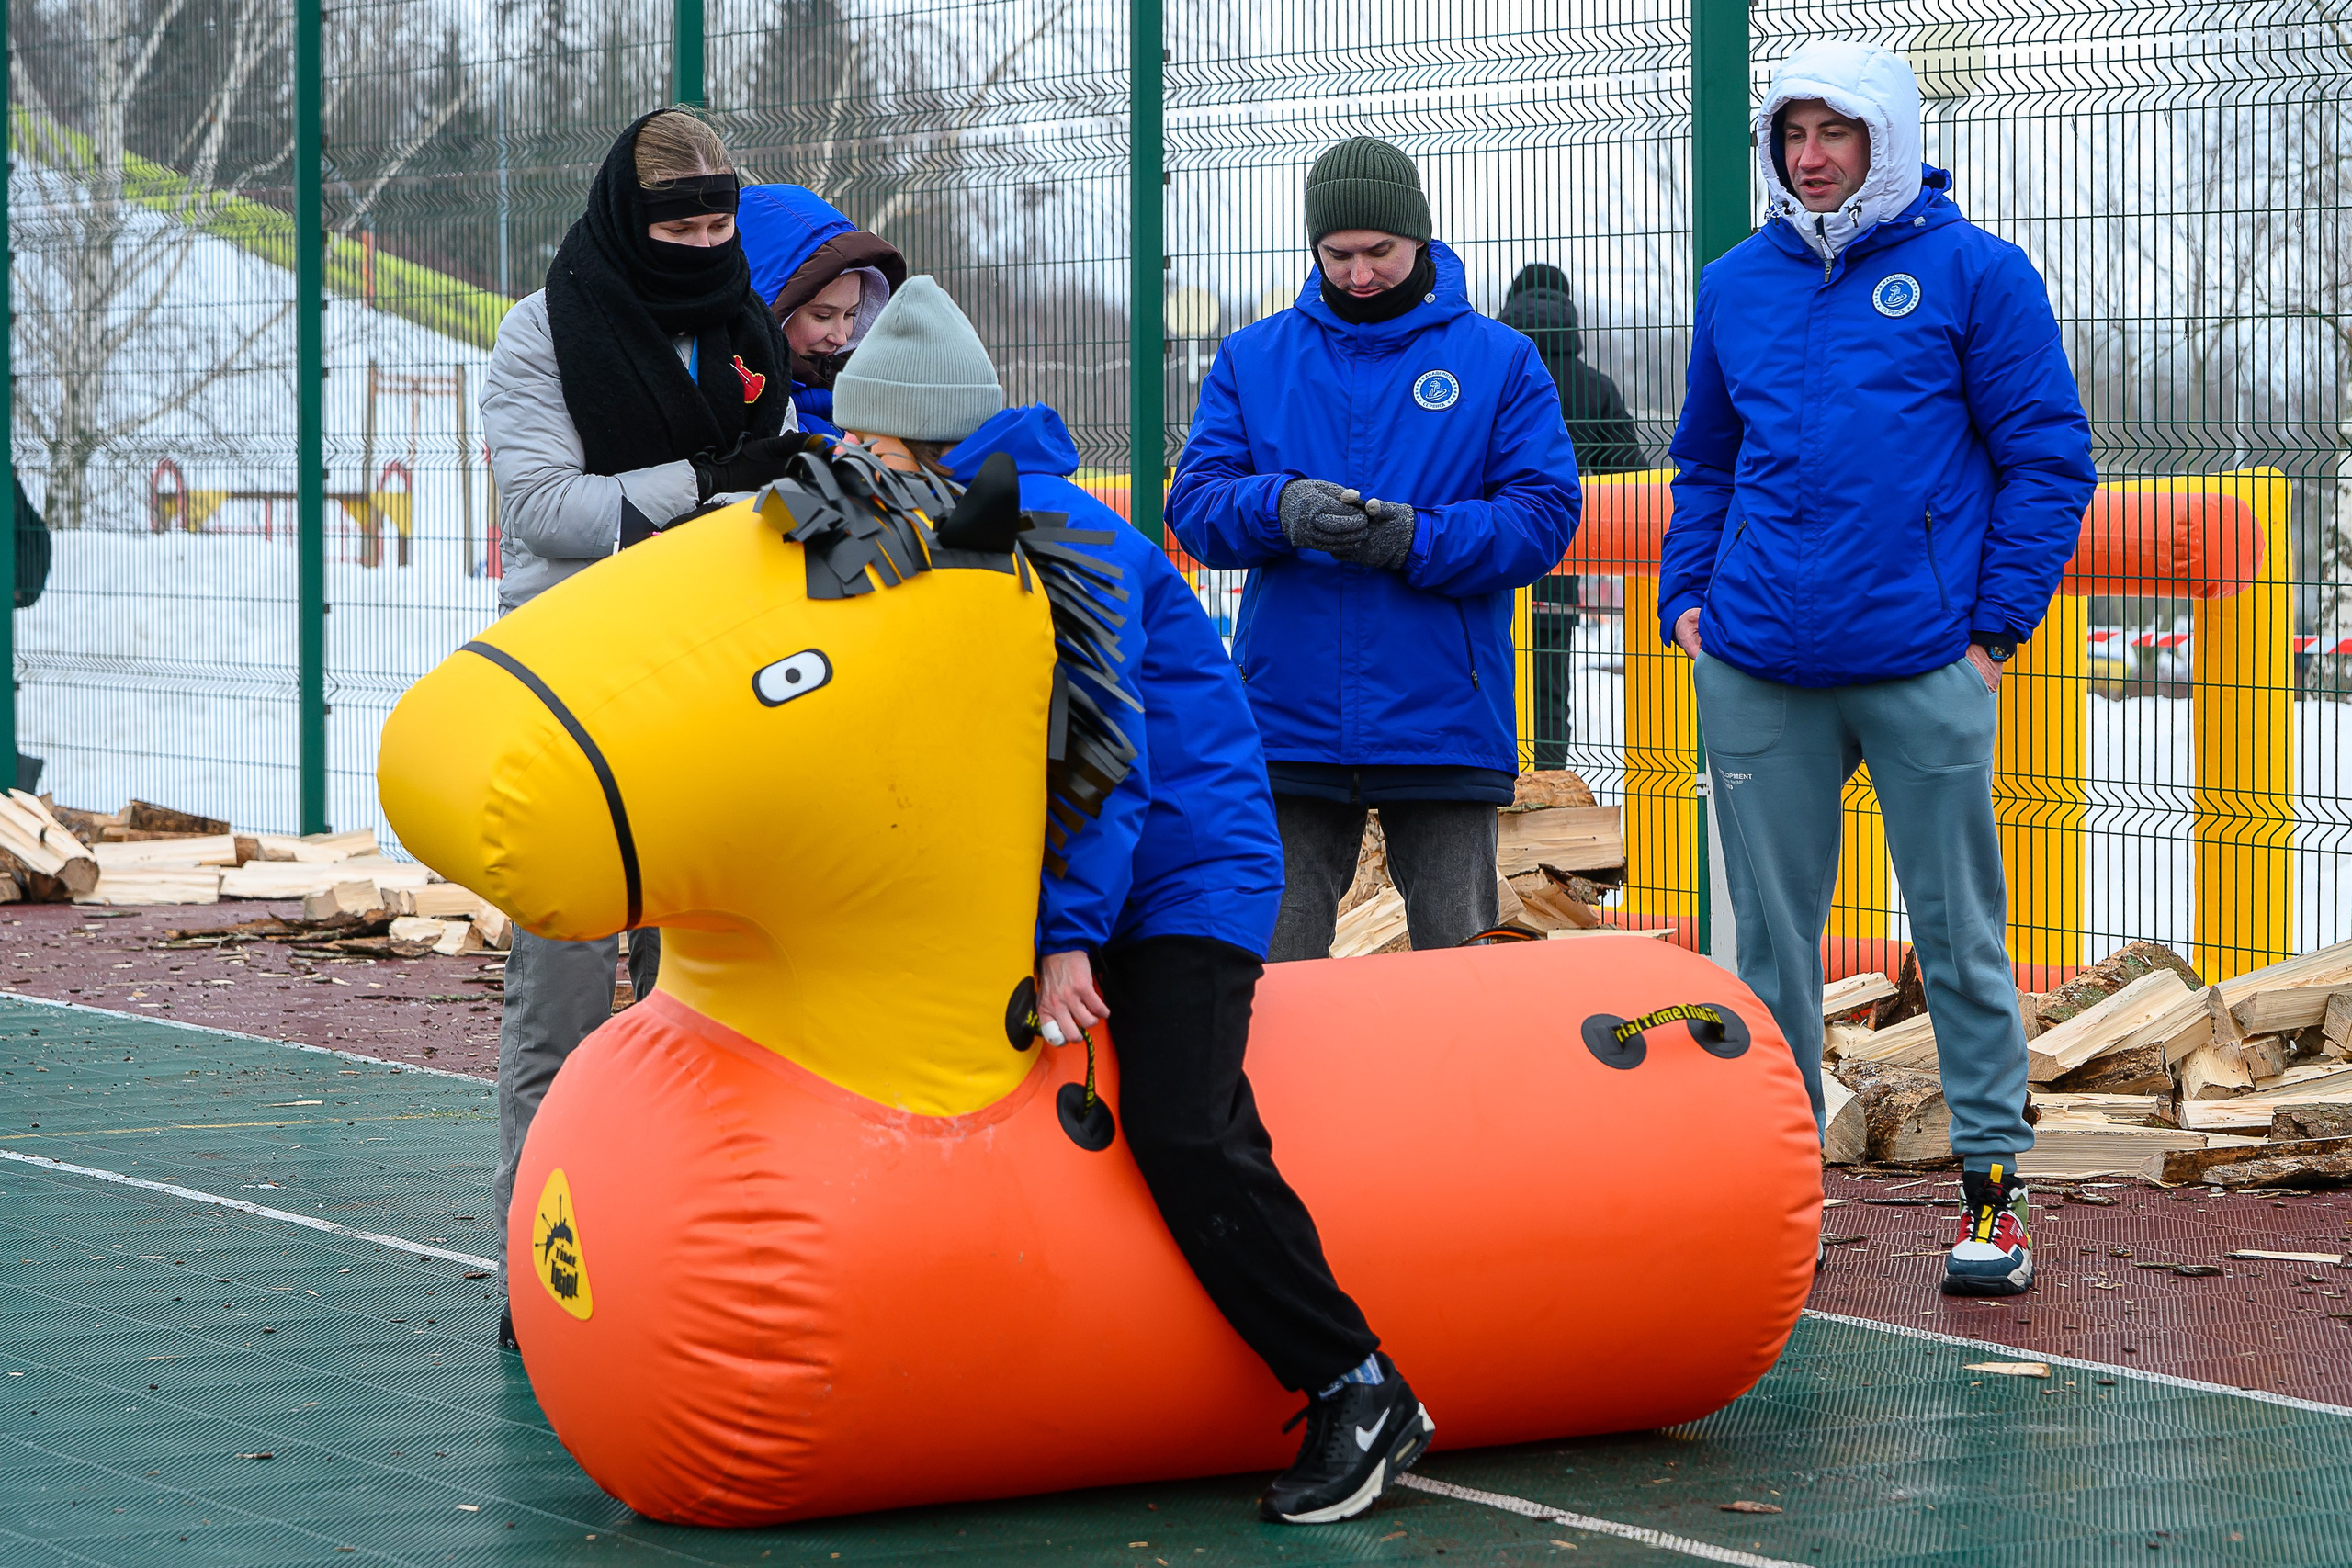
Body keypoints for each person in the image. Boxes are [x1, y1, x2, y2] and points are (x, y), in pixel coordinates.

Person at [833, 276, 1436, 1526]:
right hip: (1093, 868)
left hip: (1186, 868)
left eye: (868, 447)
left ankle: (1357, 1383)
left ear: (925, 442)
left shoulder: (1060, 537)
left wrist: (1067, 936)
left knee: (1185, 1127)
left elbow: (1109, 757)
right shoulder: (941, 521)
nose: (852, 468)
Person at [1659, 42, 2096, 1297]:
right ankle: (1782, 1195)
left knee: (1958, 934)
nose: (1810, 157)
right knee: (1768, 951)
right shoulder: (1737, 282)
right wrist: (1690, 600)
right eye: (1792, 134)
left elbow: (2048, 458)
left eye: (1835, 133)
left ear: (1885, 139)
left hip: (1920, 660)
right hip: (1757, 661)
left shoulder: (1975, 272)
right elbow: (1707, 460)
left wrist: (1991, 629)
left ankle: (1994, 1191)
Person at [478, 107, 806, 1349]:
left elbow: (776, 472)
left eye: (720, 230)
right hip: (577, 694)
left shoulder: (746, 327)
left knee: (704, 1002)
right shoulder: (541, 330)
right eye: (681, 233)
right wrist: (708, 489)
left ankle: (681, 1271)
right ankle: (534, 1272)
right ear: (631, 222)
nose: (704, 250)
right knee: (561, 1002)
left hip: (711, 694)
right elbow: (545, 507)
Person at [1168, 137, 1580, 962]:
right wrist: (1278, 506)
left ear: (1419, 238)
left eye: (1379, 251)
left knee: (1461, 968)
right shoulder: (1254, 357)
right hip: (1289, 714)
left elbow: (1542, 515)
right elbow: (1196, 504)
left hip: (1443, 711)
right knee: (1273, 972)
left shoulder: (1498, 359)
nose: (1359, 274)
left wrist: (1416, 538)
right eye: (1338, 254)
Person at [1497, 263, 1644, 771]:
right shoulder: (1594, 386)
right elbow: (1629, 472)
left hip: (1486, 541)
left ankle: (1487, 772)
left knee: (1480, 658)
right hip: (1560, 549)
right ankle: (1549, 771)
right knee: (1550, 668)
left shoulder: (1493, 375)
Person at [737, 185, 908, 437]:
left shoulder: (866, 404)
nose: (841, 338)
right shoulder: (748, 418)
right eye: (823, 316)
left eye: (851, 314)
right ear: (767, 306)